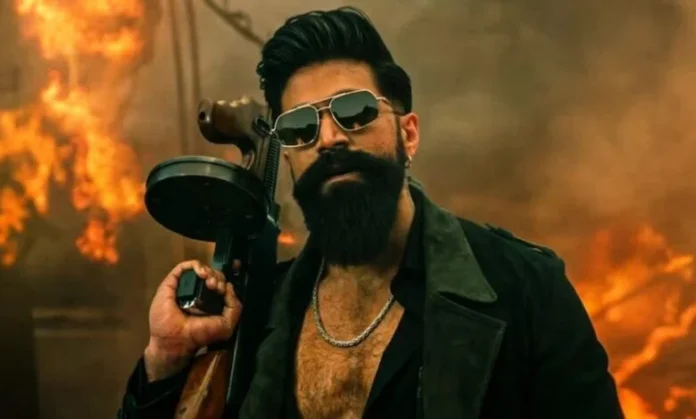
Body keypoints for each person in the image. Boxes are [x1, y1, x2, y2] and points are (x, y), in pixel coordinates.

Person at [117, 6, 624, 419]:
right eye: (300, 127)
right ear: (288, 157)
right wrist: (166, 359)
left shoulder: (525, 290)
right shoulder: (254, 311)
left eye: (354, 111)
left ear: (408, 133)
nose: (330, 138)